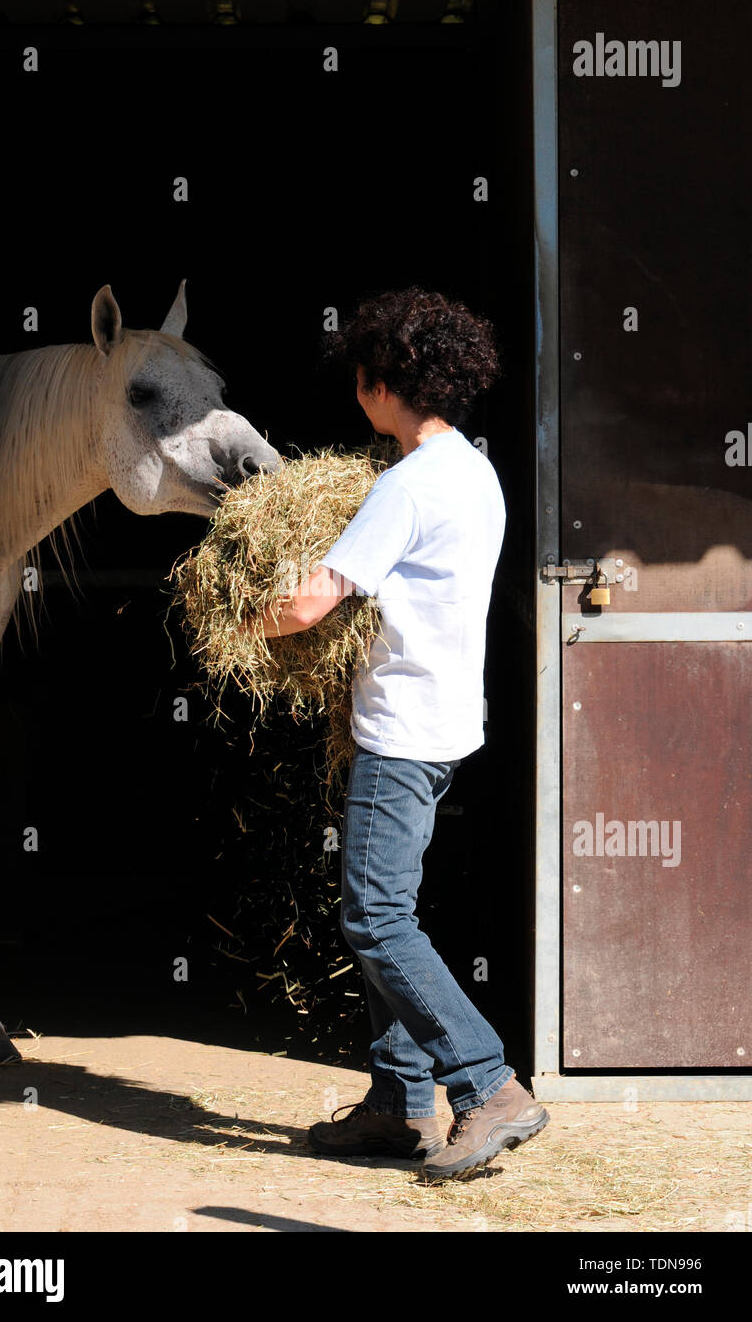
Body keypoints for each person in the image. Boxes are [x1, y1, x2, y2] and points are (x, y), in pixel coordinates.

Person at [246, 287, 549, 1180]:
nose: (355, 393)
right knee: (393, 912)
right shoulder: (474, 470)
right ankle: (397, 1104)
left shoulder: (405, 486)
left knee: (375, 919)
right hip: (446, 721)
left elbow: (311, 600)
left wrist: (240, 620)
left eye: (360, 379)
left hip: (401, 731)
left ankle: (488, 1085)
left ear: (385, 385)